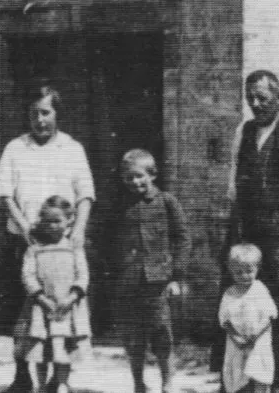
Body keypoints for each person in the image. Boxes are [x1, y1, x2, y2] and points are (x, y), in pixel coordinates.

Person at [0, 84, 95, 393]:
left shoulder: (72, 148)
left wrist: (78, 229)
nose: (39, 120)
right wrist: (25, 226)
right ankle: (23, 374)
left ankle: (59, 376)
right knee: (25, 313)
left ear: (56, 114)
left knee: (63, 311)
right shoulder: (15, 148)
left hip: (63, 246)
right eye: (33, 114)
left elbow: (85, 194)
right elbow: (5, 194)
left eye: (45, 112)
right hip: (25, 242)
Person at [224, 70, 279, 393]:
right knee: (244, 308)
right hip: (248, 236)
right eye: (250, 97)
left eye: (262, 97)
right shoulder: (244, 131)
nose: (255, 103)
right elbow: (234, 189)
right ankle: (244, 382)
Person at [109, 148, 189, 393]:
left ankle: (167, 383)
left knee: (162, 334)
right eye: (128, 178)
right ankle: (138, 384)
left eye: (139, 176)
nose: (134, 182)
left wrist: (176, 277)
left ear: (152, 174)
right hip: (128, 282)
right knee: (133, 338)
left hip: (157, 282)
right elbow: (108, 241)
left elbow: (182, 238)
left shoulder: (167, 202)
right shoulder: (119, 205)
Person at [17, 196, 90, 393]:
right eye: (47, 221)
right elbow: (27, 275)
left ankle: (62, 384)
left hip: (67, 306)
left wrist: (72, 297)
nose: (52, 226)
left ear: (69, 221)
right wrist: (41, 298)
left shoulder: (74, 247)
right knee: (41, 349)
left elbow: (83, 275)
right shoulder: (35, 249)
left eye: (57, 221)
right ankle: (41, 386)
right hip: (41, 307)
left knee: (63, 348)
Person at [219, 243, 277, 393]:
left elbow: (269, 316)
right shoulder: (230, 293)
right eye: (238, 272)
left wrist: (255, 336)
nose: (244, 276)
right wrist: (236, 338)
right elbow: (225, 320)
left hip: (258, 341)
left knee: (259, 373)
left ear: (257, 269)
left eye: (249, 271)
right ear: (231, 271)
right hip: (237, 343)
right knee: (238, 375)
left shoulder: (260, 289)